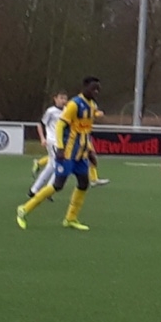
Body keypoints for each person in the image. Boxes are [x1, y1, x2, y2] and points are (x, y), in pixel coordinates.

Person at [16, 77, 101, 231]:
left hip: (80, 153)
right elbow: (61, 125)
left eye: (98, 90)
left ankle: (70, 218)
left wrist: (89, 151)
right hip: (67, 152)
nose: (96, 92)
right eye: (93, 89)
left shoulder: (92, 105)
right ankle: (24, 209)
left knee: (84, 183)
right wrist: (61, 148)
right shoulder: (74, 104)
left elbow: (85, 130)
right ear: (85, 88)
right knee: (58, 185)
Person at [28, 91, 68, 200]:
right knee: (59, 166)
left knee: (50, 166)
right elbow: (40, 124)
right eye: (61, 98)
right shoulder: (51, 111)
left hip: (61, 142)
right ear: (55, 99)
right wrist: (42, 138)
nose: (63, 100)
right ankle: (48, 191)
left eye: (65, 98)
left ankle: (34, 190)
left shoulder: (67, 111)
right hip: (53, 141)